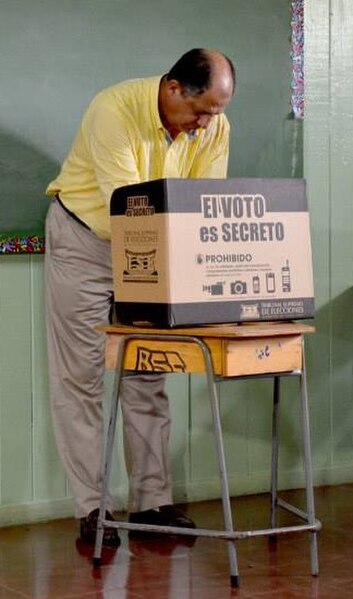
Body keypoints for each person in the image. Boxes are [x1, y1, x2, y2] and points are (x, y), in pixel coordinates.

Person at [45, 48, 236, 546]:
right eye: (200, 111)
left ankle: (152, 504)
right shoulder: (113, 109)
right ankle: (94, 510)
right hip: (88, 238)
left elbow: (199, 209)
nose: (205, 124)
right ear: (173, 88)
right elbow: (133, 209)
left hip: (153, 242)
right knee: (81, 378)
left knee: (148, 372)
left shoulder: (213, 125)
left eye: (215, 113)